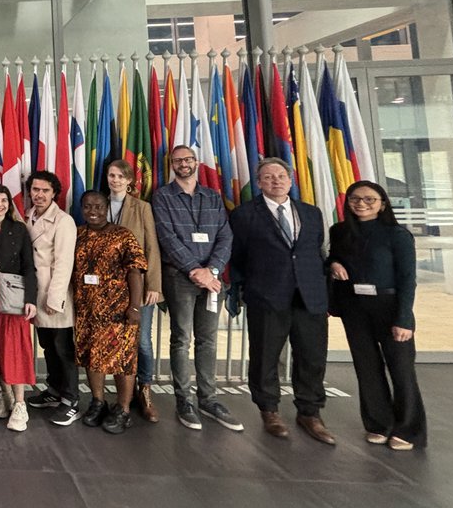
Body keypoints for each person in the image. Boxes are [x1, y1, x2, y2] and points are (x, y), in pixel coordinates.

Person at [229, 157, 332, 444]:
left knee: (312, 356)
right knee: (265, 356)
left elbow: (315, 253)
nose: (275, 181)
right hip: (266, 296)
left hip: (308, 297)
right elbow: (238, 258)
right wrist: (245, 290)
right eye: (268, 177)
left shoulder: (312, 214)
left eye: (281, 176)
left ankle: (310, 412)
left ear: (291, 180)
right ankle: (269, 410)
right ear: (259, 182)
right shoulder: (244, 215)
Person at [327, 181, 425, 451]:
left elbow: (408, 278)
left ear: (382, 203)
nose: (362, 203)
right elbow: (332, 258)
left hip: (389, 306)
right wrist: (333, 264)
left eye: (370, 199)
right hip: (354, 308)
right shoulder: (339, 231)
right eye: (355, 199)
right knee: (366, 367)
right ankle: (378, 424)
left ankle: (409, 429)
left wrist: (404, 317)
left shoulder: (397, 235)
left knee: (401, 369)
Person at [152, 144, 241, 432]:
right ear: (172, 165)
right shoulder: (162, 196)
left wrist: (211, 270)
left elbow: (225, 236)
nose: (183, 164)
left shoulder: (212, 196)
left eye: (188, 159)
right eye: (178, 161)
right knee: (181, 339)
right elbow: (167, 237)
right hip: (180, 277)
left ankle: (209, 399)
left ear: (196, 162)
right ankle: (185, 401)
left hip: (213, 278)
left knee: (209, 340)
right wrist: (195, 270)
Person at [74, 190, 147, 434]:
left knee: (122, 361)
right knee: (92, 358)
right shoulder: (78, 234)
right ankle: (98, 402)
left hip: (119, 312)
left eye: (98, 206)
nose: (92, 211)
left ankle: (123, 408)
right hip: (87, 311)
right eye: (87, 206)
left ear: (107, 208)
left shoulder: (122, 235)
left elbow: (135, 271)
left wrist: (135, 307)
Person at [104, 159, 163, 423]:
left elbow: (151, 247)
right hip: (107, 288)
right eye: (111, 175)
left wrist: (154, 286)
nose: (115, 180)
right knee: (115, 341)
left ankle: (145, 391)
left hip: (137, 285)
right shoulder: (99, 205)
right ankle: (119, 397)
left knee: (143, 342)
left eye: (120, 176)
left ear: (130, 180)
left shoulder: (142, 208)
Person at [0, 184, 37, 433]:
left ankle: (21, 404)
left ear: (10, 204)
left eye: (4, 200)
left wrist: (30, 299)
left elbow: (28, 267)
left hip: (12, 298)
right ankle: (6, 395)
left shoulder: (19, 229)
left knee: (14, 349)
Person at [23, 170, 80, 427]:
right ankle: (54, 390)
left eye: (45, 190)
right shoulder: (27, 216)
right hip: (35, 293)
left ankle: (71, 400)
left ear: (54, 193)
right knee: (47, 345)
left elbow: (64, 263)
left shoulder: (63, 221)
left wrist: (55, 298)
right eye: (35, 190)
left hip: (53, 294)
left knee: (63, 348)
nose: (39, 195)